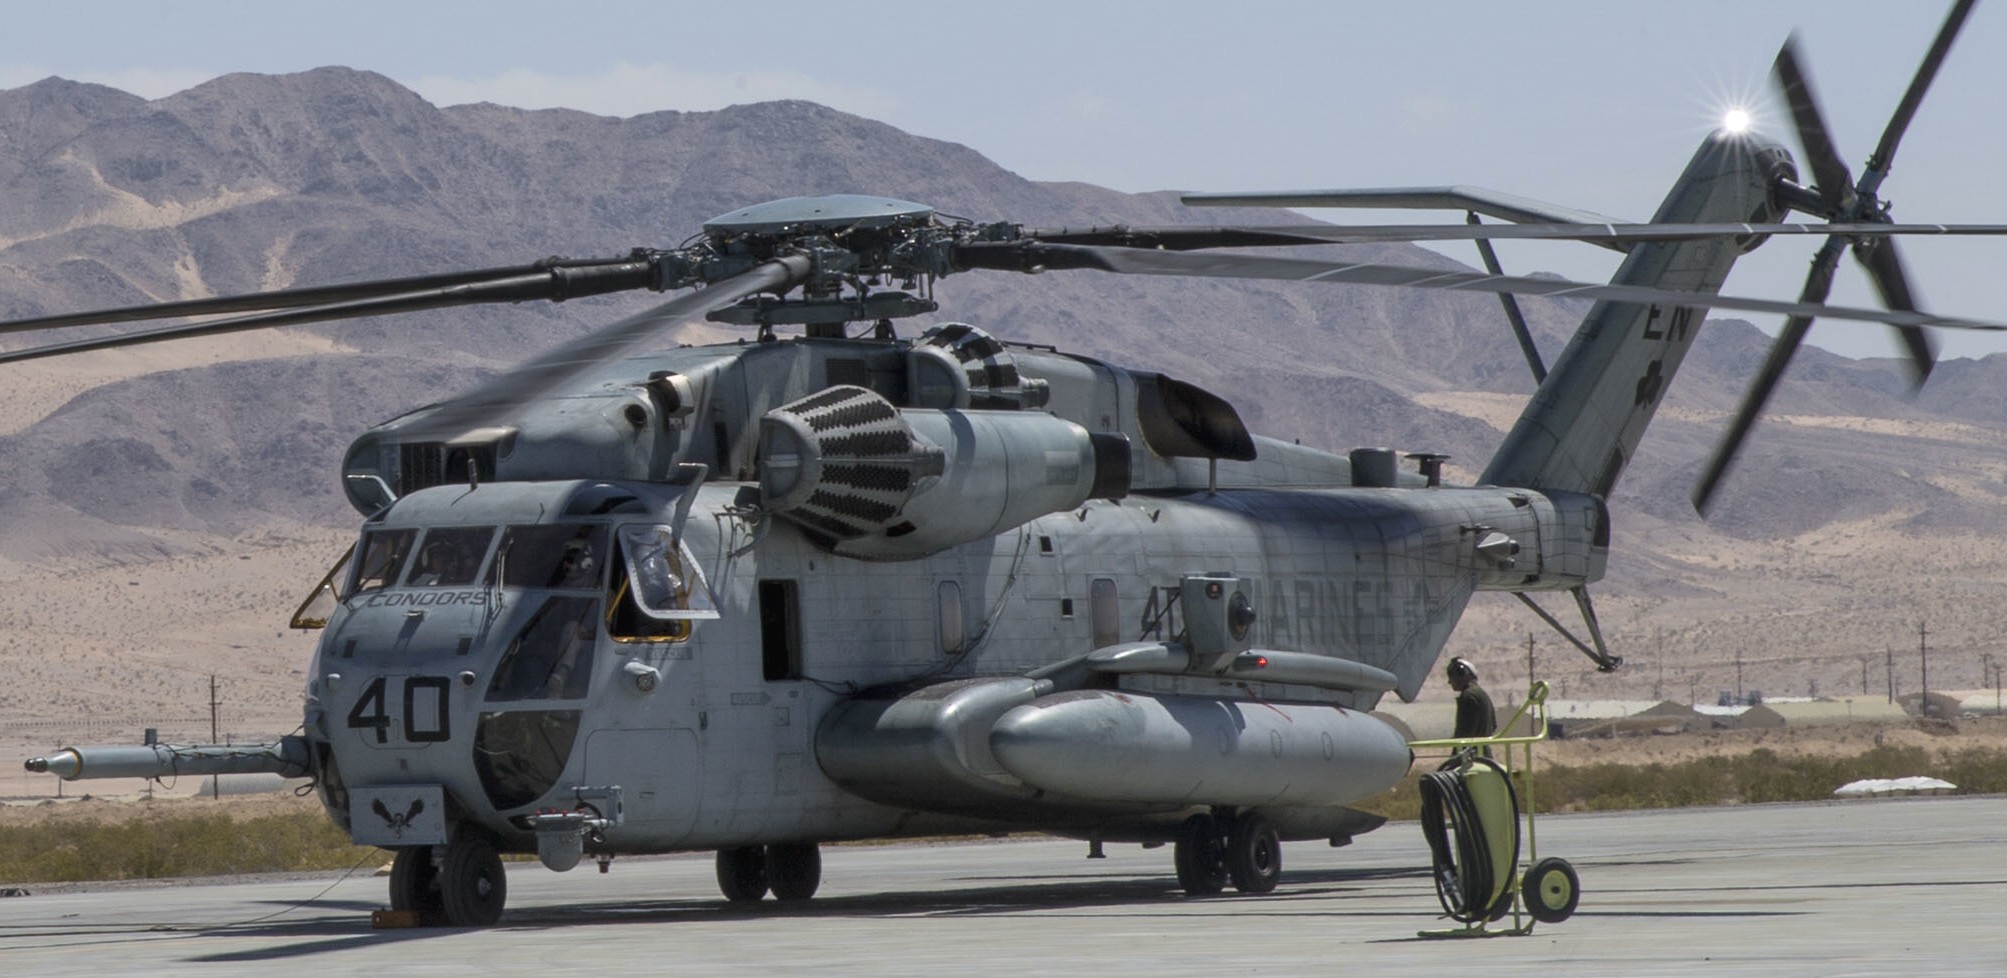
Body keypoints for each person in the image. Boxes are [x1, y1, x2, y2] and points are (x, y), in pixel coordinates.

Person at [1447, 657, 1496, 742]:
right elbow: (1493, 726)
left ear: (1462, 674)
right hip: (1482, 752)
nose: (1449, 682)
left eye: (1451, 675)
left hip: (1469, 753)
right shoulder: (1481, 694)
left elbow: (1464, 732)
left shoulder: (1468, 696)